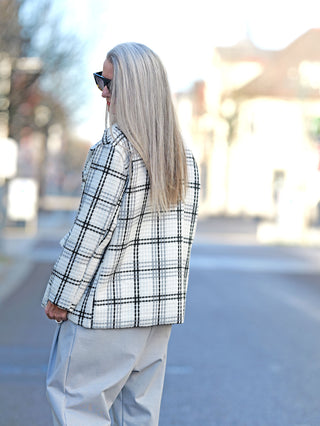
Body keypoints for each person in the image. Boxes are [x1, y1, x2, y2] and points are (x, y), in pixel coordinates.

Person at [42, 42, 200, 426]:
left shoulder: (116, 149)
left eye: (108, 82)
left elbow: (89, 233)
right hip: (156, 316)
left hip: (106, 311)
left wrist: (59, 296)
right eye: (100, 80)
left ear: (135, 89)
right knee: (138, 416)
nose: (102, 91)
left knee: (76, 406)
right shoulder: (184, 157)